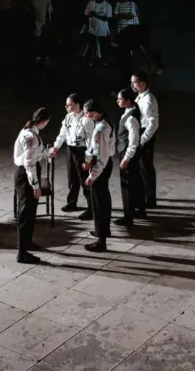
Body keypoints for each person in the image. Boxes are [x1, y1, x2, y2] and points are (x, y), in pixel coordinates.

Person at [13, 107, 51, 264]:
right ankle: (22, 254)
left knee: (30, 213)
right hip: (26, 176)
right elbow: (29, 164)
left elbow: (37, 152)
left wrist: (48, 154)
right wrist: (36, 186)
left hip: (27, 174)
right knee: (25, 215)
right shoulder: (31, 137)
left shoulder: (30, 132)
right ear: (44, 122)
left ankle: (27, 243)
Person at [49, 94, 93, 218]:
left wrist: (88, 159)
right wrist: (56, 146)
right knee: (72, 177)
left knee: (84, 179)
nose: (66, 107)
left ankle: (91, 207)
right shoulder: (68, 117)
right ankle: (72, 202)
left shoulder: (86, 119)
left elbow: (91, 141)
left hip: (82, 150)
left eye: (69, 105)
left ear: (77, 105)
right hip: (70, 149)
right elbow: (62, 134)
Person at [82, 99, 116, 252]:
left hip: (101, 166)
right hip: (99, 163)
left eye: (87, 114)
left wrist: (92, 176)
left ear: (94, 113)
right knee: (100, 200)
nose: (86, 117)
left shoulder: (102, 129)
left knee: (99, 203)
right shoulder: (101, 123)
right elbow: (92, 147)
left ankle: (101, 240)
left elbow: (102, 157)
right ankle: (101, 231)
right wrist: (88, 160)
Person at [114, 88, 144, 227]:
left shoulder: (131, 119)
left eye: (120, 99)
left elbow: (133, 142)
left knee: (127, 185)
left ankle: (128, 216)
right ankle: (140, 210)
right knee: (135, 182)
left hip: (128, 154)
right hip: (127, 152)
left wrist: (126, 158)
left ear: (127, 101)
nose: (117, 101)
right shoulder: (130, 111)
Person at [131, 71, 160, 209]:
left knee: (146, 168)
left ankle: (150, 199)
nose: (132, 85)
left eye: (135, 82)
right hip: (140, 134)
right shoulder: (139, 97)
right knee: (141, 167)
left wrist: (142, 140)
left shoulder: (149, 100)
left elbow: (153, 124)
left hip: (145, 136)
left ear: (143, 84)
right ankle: (144, 195)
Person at [82, 0, 112, 65]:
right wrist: (87, 27)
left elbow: (106, 18)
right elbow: (86, 15)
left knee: (103, 46)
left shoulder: (108, 5)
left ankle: (103, 61)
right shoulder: (91, 3)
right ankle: (92, 61)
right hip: (92, 29)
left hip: (103, 30)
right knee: (92, 46)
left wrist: (95, 15)